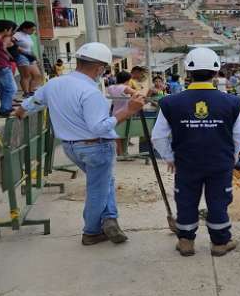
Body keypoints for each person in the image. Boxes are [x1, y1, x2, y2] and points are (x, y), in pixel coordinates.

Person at [15, 43, 146, 246]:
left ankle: (110, 219)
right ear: (99, 68)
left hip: (71, 147)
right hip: (96, 146)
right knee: (98, 188)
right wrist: (128, 110)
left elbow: (31, 103)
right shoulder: (91, 93)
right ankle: (92, 231)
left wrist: (20, 113)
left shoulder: (54, 84)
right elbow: (99, 127)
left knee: (104, 182)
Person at [152, 47, 240, 257]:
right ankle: (220, 243)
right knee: (218, 201)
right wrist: (232, 157)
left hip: (186, 163)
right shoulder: (232, 102)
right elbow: (239, 135)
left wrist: (170, 157)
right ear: (215, 72)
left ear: (188, 72)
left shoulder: (170, 102)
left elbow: (157, 136)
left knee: (186, 200)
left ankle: (186, 242)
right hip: (219, 164)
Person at [107, 70, 140, 155]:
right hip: (125, 112)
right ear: (128, 79)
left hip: (115, 112)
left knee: (117, 133)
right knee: (126, 132)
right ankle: (124, 152)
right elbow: (137, 94)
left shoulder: (111, 88)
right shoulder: (125, 88)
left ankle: (120, 152)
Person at [13, 21, 42, 97]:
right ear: (25, 28)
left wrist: (35, 57)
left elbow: (29, 48)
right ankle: (26, 93)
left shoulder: (27, 35)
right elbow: (11, 44)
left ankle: (31, 90)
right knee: (26, 76)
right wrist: (19, 49)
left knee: (37, 75)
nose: (33, 32)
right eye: (32, 30)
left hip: (29, 55)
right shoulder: (18, 35)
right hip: (22, 56)